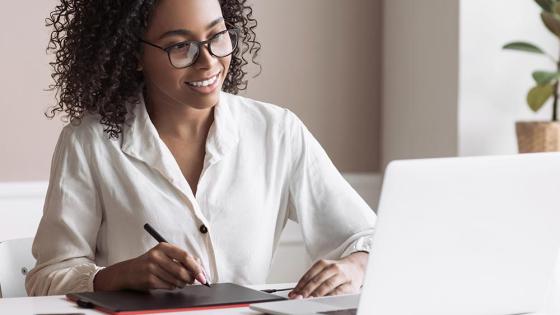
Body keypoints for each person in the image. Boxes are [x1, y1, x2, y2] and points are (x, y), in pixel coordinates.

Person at [26, 0, 376, 299]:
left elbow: (368, 238)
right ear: (133, 55)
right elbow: (46, 277)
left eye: (217, 36)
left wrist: (354, 268)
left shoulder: (277, 132)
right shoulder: (90, 141)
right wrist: (117, 277)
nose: (208, 62)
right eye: (181, 46)